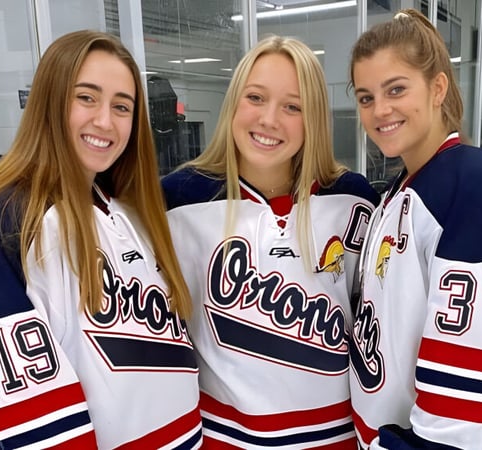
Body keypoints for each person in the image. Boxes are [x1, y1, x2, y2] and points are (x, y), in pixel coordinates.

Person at [0, 30, 202, 449]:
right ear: (50, 101)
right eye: (86, 98)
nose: (105, 121)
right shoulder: (2, 224)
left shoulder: (130, 210)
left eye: (122, 106)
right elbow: (26, 412)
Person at [162, 35, 380, 449]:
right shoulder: (177, 199)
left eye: (292, 106)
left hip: (335, 439)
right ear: (234, 104)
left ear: (313, 116)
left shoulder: (353, 199)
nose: (269, 119)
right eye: (256, 97)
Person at [347, 9, 482, 450]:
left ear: (438, 88)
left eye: (396, 89)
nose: (380, 110)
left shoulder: (473, 183)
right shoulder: (398, 192)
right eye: (365, 97)